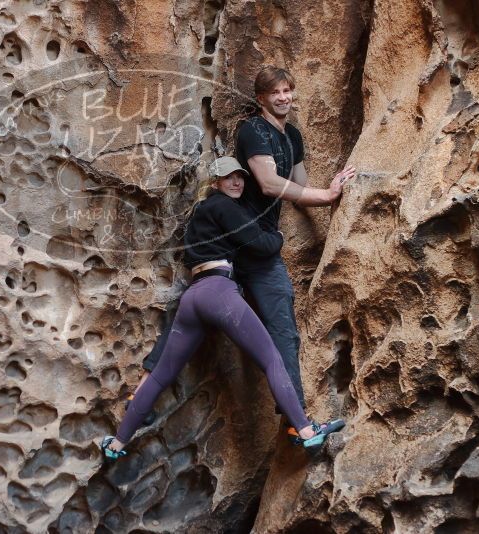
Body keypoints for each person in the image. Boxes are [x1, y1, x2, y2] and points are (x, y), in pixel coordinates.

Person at [100, 157, 345, 461]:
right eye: (228, 178)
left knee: (161, 376)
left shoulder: (199, 215)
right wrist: (278, 237)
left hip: (194, 296)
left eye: (239, 177)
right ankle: (306, 431)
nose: (236, 182)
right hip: (218, 292)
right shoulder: (223, 206)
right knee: (271, 359)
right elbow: (258, 243)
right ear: (215, 183)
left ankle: (116, 444)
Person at [234, 65, 356, 441]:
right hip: (240, 240)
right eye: (276, 92)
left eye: (288, 90)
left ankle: (295, 420)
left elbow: (299, 186)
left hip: (264, 244)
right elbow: (270, 184)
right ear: (261, 98)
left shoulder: (294, 136)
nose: (284, 97)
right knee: (212, 326)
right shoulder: (253, 130)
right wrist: (326, 195)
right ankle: (298, 422)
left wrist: (333, 187)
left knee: (284, 332)